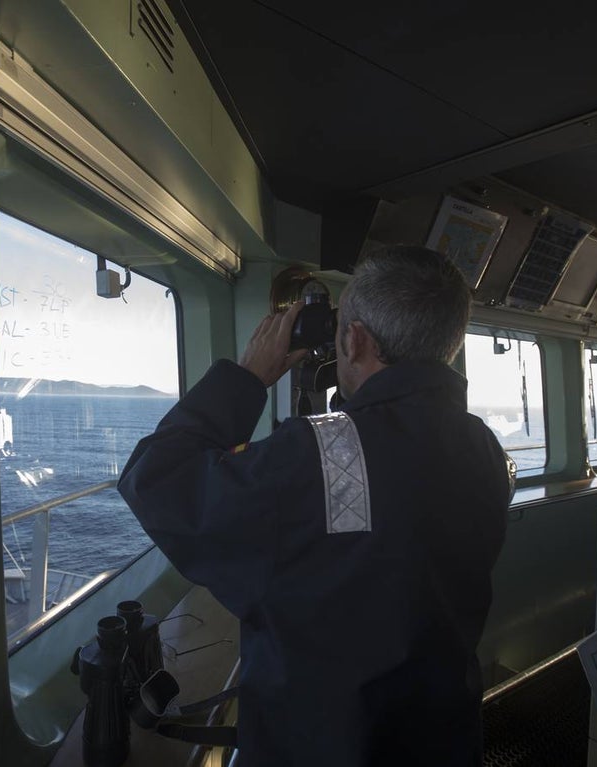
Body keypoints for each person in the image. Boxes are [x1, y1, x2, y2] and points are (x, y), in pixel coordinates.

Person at [118, 245, 511, 766]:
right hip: (442, 741)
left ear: (353, 339)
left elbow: (155, 479)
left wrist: (247, 377)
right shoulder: (486, 448)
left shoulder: (315, 454)